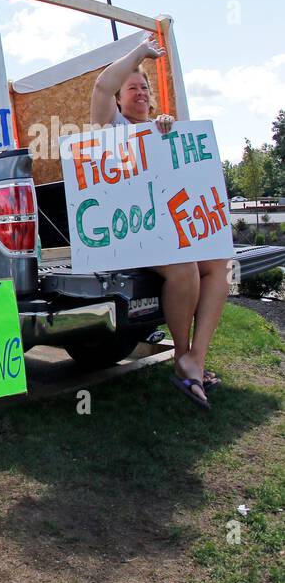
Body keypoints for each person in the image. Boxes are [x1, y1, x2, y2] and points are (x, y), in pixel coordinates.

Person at [90, 33, 228, 410]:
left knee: (220, 265)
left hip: (166, 235)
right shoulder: (111, 127)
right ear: (120, 98)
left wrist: (166, 131)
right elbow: (102, 85)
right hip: (125, 236)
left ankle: (196, 357)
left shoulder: (164, 131)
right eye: (131, 87)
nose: (139, 91)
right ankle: (182, 357)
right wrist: (140, 54)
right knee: (184, 267)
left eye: (144, 86)